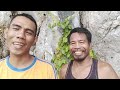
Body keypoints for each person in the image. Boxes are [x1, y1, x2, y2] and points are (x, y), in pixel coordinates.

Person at [0, 13, 57, 79]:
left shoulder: (47, 70)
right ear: (6, 33)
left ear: (35, 40)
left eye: (28, 33)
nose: (21, 35)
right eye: (16, 28)